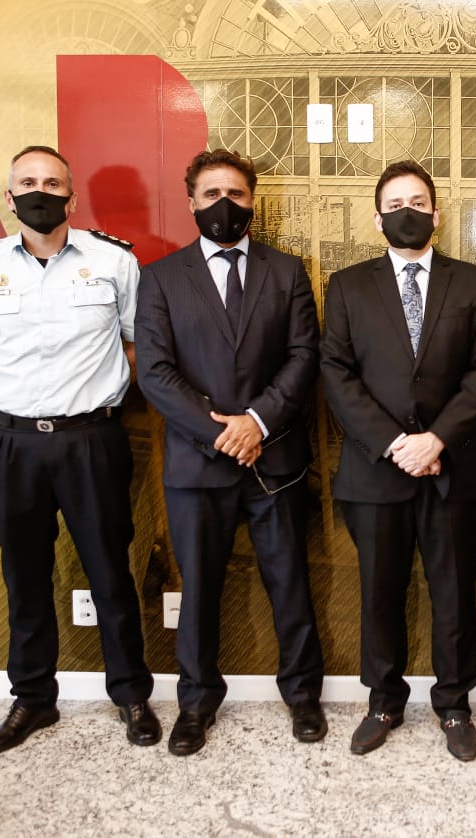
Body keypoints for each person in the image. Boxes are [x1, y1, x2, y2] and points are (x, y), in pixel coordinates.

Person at [0, 145, 158, 754]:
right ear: (10, 197)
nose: (42, 191)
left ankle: (131, 695)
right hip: (11, 444)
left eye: (53, 182)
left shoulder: (114, 262)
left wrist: (86, 393)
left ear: (71, 195)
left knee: (111, 574)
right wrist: (25, 395)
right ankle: (34, 698)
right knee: (25, 576)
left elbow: (137, 347)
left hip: (91, 440)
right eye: (28, 182)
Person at [135, 149, 326, 756]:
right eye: (212, 194)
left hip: (275, 459)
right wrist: (222, 432)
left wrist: (257, 422)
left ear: (252, 201)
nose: (225, 204)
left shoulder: (287, 271)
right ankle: (196, 703)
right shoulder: (161, 278)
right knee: (199, 590)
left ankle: (303, 695)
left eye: (236, 194)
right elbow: (156, 372)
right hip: (198, 463)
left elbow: (303, 356)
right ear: (191, 201)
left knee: (289, 584)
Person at [321, 160, 476, 762]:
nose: (408, 212)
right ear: (377, 219)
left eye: (419, 202)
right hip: (377, 469)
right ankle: (383, 702)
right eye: (396, 204)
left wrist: (437, 439)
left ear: (437, 214)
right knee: (380, 591)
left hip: (454, 467)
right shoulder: (347, 286)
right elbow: (337, 373)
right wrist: (397, 443)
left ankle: (454, 704)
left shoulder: (473, 283)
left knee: (453, 591)